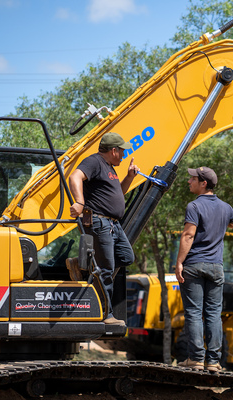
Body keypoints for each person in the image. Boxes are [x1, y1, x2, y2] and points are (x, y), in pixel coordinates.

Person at [67, 131, 140, 326]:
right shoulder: (94, 162)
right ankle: (106, 315)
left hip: (113, 225)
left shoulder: (110, 168)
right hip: (100, 223)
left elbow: (118, 193)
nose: (124, 155)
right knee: (106, 269)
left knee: (126, 257)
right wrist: (80, 202)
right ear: (113, 150)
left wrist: (130, 177)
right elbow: (74, 177)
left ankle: (83, 266)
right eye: (122, 151)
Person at [175, 166, 233, 372]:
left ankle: (195, 358)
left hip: (194, 265)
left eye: (192, 179)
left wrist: (179, 262)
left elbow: (188, 235)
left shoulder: (194, 206)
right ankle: (213, 361)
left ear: (203, 183)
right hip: (216, 267)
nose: (189, 181)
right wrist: (221, 224)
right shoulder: (225, 207)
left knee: (194, 313)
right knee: (213, 313)